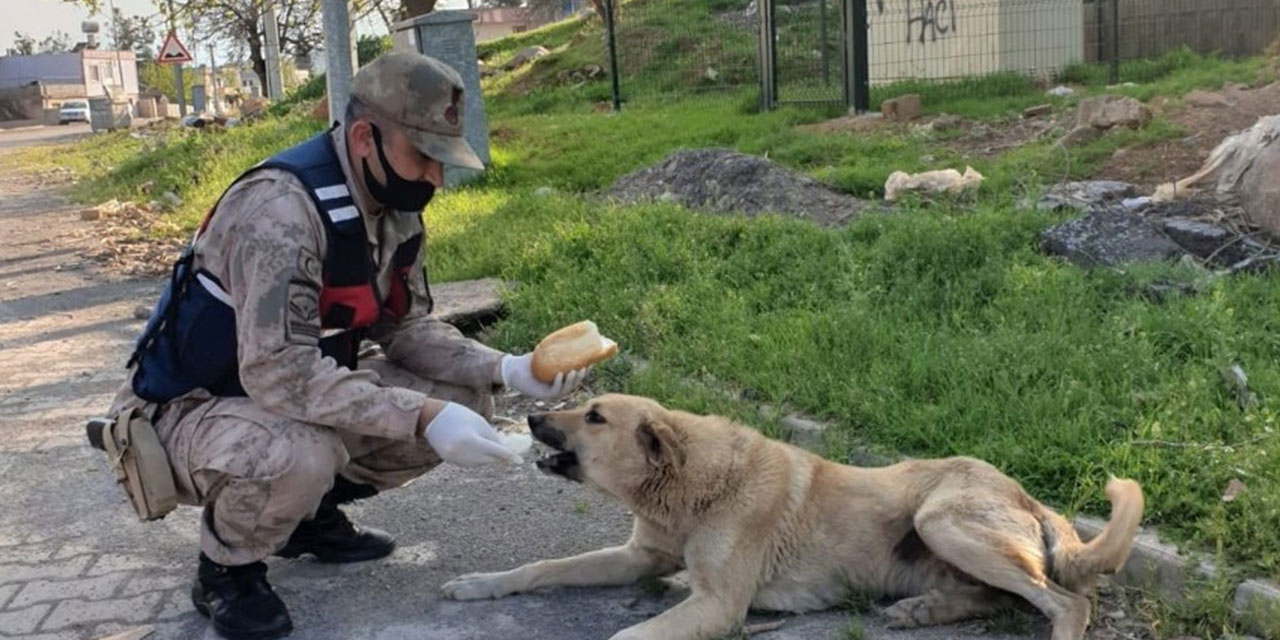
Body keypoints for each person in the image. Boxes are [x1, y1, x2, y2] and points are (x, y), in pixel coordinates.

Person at [107, 51, 587, 640]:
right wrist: (423, 415)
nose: (437, 178)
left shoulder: (394, 208)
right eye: (425, 158)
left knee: (463, 394)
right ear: (365, 137)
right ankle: (226, 569)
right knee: (300, 453)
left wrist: (507, 370)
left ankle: (303, 519)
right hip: (188, 407)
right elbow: (279, 372)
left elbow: (406, 329)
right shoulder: (280, 212)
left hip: (282, 394)